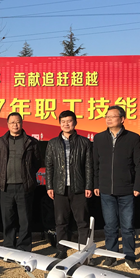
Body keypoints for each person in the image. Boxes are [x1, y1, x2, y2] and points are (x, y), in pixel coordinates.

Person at [93, 106, 140, 269]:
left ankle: (130, 256)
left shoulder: (133, 138)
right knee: (110, 226)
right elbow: (95, 164)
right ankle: (112, 256)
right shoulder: (99, 138)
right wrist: (96, 184)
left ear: (122, 119)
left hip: (127, 190)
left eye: (112, 116)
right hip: (106, 190)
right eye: (107, 116)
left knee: (128, 226)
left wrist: (138, 185)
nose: (108, 119)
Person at [45, 110, 93, 259]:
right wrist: (49, 186)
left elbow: (88, 166)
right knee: (61, 222)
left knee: (82, 222)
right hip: (59, 188)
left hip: (79, 188)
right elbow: (49, 166)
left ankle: (83, 252)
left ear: (75, 123)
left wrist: (88, 186)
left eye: (69, 121)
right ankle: (61, 250)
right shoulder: (53, 143)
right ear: (60, 124)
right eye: (63, 122)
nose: (66, 124)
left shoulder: (84, 142)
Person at [0, 112, 41, 252]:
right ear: (7, 124)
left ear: (22, 123)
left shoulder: (31, 142)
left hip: (24, 186)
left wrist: (28, 175)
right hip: (6, 186)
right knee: (8, 219)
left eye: (18, 122)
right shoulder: (1, 142)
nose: (15, 125)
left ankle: (24, 248)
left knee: (25, 219)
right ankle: (9, 247)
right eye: (12, 122)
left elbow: (37, 162)